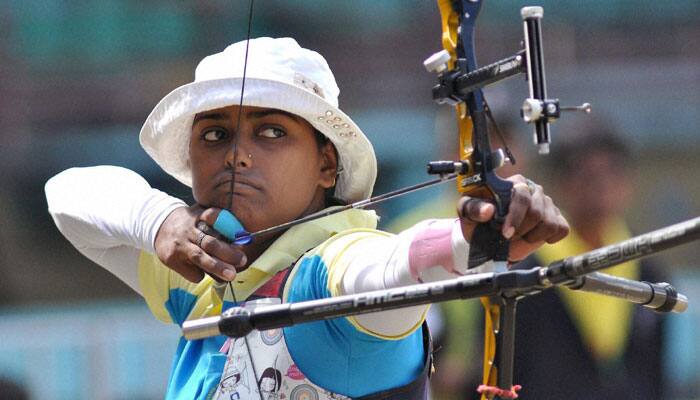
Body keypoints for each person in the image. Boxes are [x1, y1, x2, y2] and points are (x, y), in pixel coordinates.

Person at [45, 37, 568, 399]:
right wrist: (157, 221)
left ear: (326, 164)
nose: (236, 155)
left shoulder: (327, 277)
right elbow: (66, 196)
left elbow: (391, 267)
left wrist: (473, 242)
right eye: (214, 135)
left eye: (272, 132)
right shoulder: (201, 275)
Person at [510, 126, 667, 400]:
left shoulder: (649, 274)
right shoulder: (527, 276)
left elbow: (656, 375)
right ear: (563, 183)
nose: (602, 185)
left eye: (613, 172)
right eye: (588, 175)